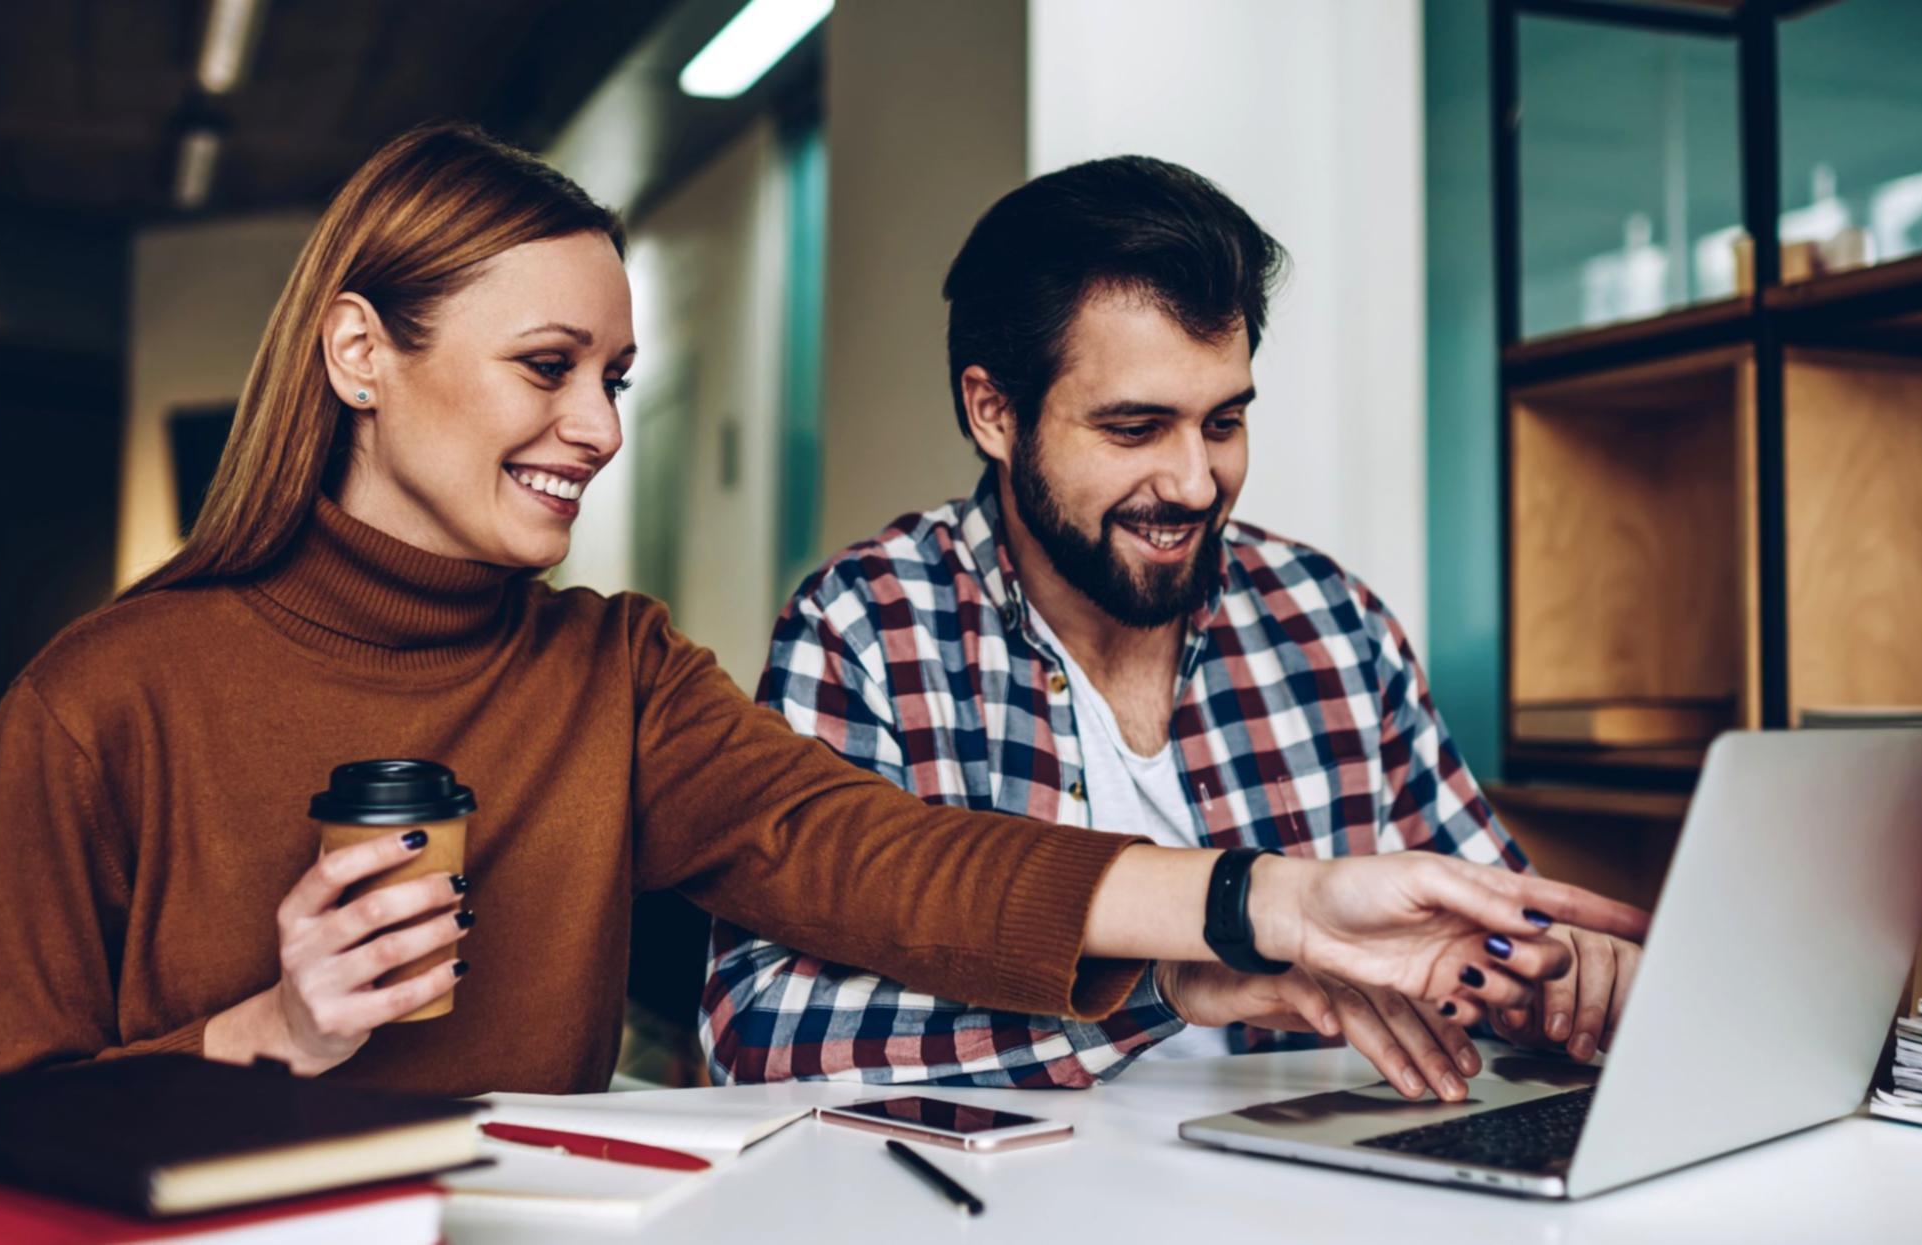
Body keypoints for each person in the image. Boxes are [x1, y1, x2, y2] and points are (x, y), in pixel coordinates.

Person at [0, 125, 1644, 1097]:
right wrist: (265, 1032)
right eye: (549, 369)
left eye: (613, 374)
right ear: (360, 354)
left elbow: (888, 859)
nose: (599, 430)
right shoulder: (103, 701)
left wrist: (1265, 902)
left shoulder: (613, 673)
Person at [703, 156, 1642, 1098]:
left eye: (1222, 422)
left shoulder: (1331, 621)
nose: (1195, 483)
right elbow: (763, 1030)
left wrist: (1555, 979)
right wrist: (1159, 990)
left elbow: (1485, 941)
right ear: (993, 410)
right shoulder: (868, 630)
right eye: (1134, 428)